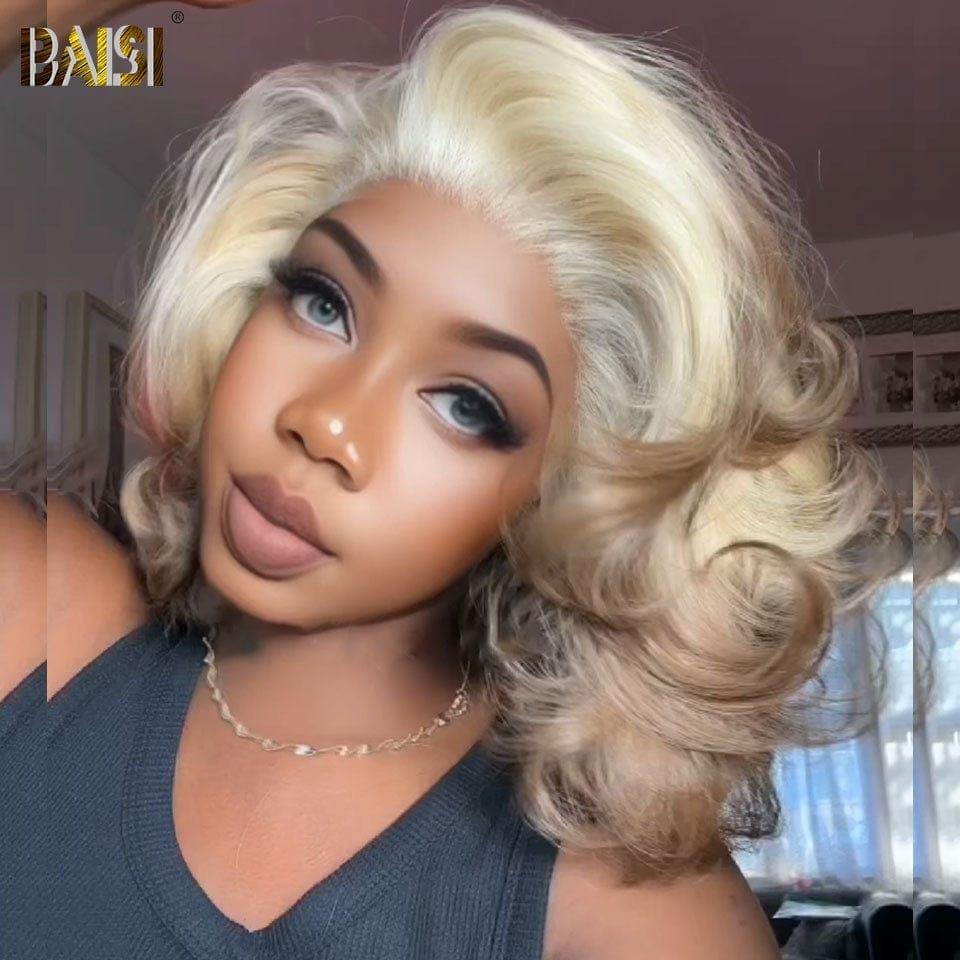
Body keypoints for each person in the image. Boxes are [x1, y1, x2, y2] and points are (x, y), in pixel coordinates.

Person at [3, 5, 898, 958]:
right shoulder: (45, 617)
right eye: (323, 303)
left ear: (565, 499)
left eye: (468, 405)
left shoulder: (639, 918)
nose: (327, 424)